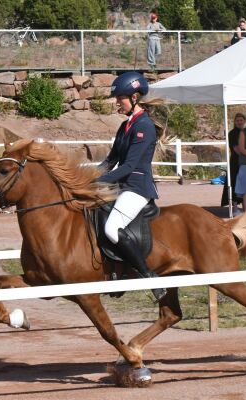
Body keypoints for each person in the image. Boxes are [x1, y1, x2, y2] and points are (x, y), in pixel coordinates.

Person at [98, 71, 165, 301]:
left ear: (134, 97)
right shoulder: (125, 126)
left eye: (121, 98)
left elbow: (127, 167)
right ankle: (115, 271)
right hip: (121, 186)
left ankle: (147, 275)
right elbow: (110, 161)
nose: (117, 102)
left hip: (137, 187)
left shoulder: (144, 126)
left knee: (111, 227)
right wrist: (85, 176)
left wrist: (98, 182)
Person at [221, 113, 246, 211]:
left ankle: (245, 207)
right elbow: (236, 149)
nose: (240, 122)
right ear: (235, 122)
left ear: (244, 121)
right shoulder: (232, 133)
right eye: (238, 120)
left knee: (245, 185)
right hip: (236, 163)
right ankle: (235, 208)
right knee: (235, 184)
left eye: (241, 120)